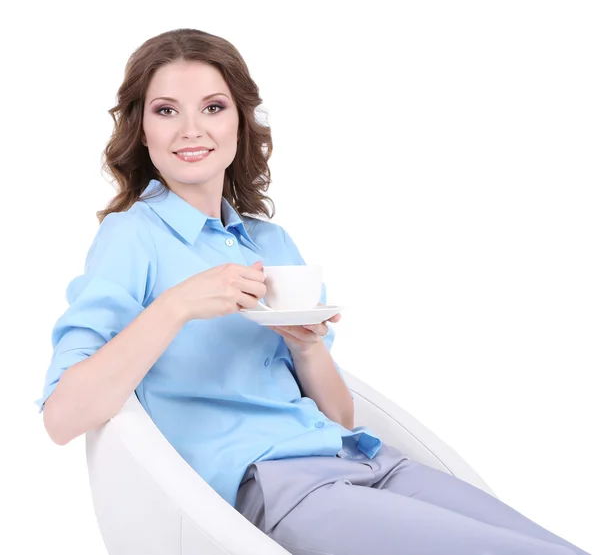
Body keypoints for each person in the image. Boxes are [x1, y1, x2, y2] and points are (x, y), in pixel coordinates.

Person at [37, 28, 589, 555]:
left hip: (364, 462)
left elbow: (339, 418)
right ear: (142, 129)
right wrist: (177, 305)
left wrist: (305, 345)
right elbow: (63, 417)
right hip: (279, 488)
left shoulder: (270, 242)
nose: (191, 130)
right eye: (166, 111)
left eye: (213, 107)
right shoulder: (133, 236)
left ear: (240, 122)